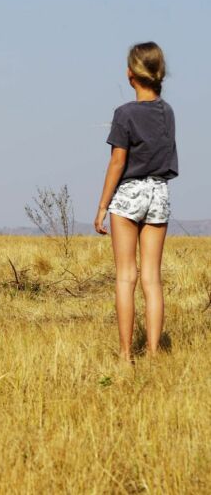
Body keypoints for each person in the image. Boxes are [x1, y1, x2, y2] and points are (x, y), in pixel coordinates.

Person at [94, 42, 178, 362]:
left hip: (128, 193)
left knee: (126, 276)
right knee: (152, 279)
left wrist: (103, 206)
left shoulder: (124, 113)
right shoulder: (167, 112)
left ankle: (127, 354)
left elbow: (118, 162)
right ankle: (155, 354)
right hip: (159, 191)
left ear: (131, 74)